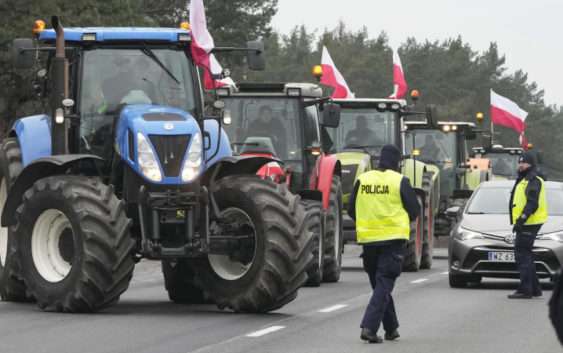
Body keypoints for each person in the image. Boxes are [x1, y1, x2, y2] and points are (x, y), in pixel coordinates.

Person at [348, 144, 420, 343]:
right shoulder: (399, 181)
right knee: (384, 284)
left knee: (380, 285)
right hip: (392, 242)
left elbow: (351, 210)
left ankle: (391, 328)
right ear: (397, 162)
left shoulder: (363, 179)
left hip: (368, 242)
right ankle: (369, 328)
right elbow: (415, 211)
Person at [507, 151, 547, 299]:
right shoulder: (524, 178)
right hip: (528, 223)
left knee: (522, 255)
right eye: (520, 162)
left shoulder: (532, 179)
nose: (521, 165)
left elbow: (532, 203)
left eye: (524, 163)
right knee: (526, 255)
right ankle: (535, 289)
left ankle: (525, 289)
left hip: (529, 223)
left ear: (531, 164)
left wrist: (521, 220)